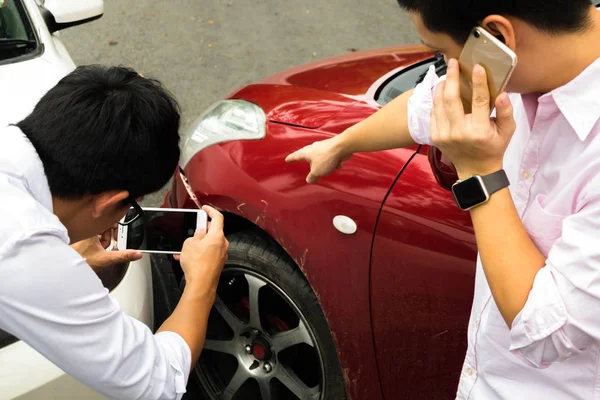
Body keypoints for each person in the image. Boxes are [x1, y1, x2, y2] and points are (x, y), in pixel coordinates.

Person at [287, 1, 600, 399]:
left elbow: (546, 332)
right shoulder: (523, 74)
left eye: (444, 54)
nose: (448, 69)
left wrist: (479, 173)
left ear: (498, 37)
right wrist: (341, 144)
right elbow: (429, 104)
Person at [0, 65, 229, 399]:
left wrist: (58, 263)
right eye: (131, 205)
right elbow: (157, 380)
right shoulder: (24, 246)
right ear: (110, 201)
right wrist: (202, 283)